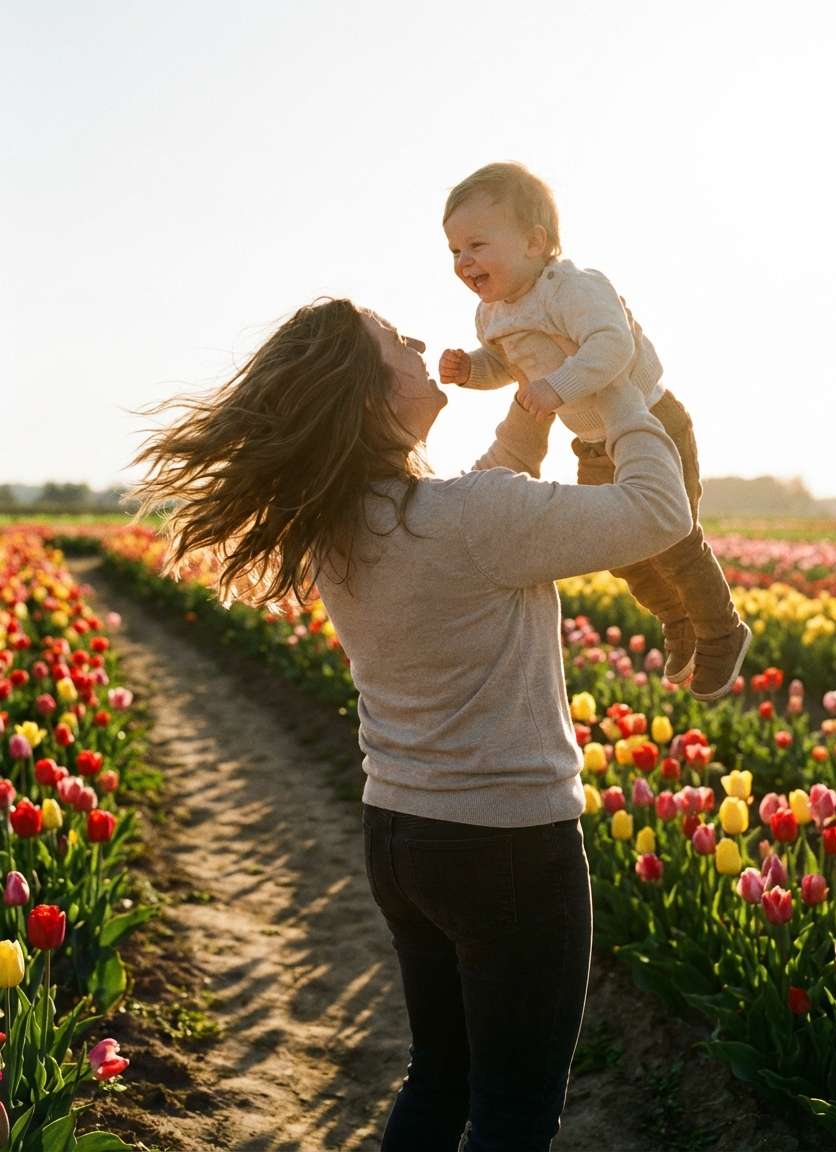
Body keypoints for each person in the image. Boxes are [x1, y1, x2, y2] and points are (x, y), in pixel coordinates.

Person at [128, 297, 693, 1152]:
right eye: (396, 342)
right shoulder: (471, 518)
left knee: (441, 1078)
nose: (422, 342)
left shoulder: (349, 519)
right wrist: (621, 396)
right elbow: (659, 514)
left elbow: (480, 506)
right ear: (365, 397)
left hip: (404, 836)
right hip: (509, 846)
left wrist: (532, 403)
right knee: (513, 1114)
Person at [440, 161, 750, 701]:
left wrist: (558, 386)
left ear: (536, 242)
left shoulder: (574, 289)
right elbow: (507, 365)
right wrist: (471, 370)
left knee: (673, 539)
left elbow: (613, 346)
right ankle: (676, 615)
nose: (464, 262)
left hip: (653, 426)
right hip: (591, 443)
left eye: (477, 245)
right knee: (620, 550)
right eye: (454, 251)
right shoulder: (490, 317)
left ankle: (722, 631)